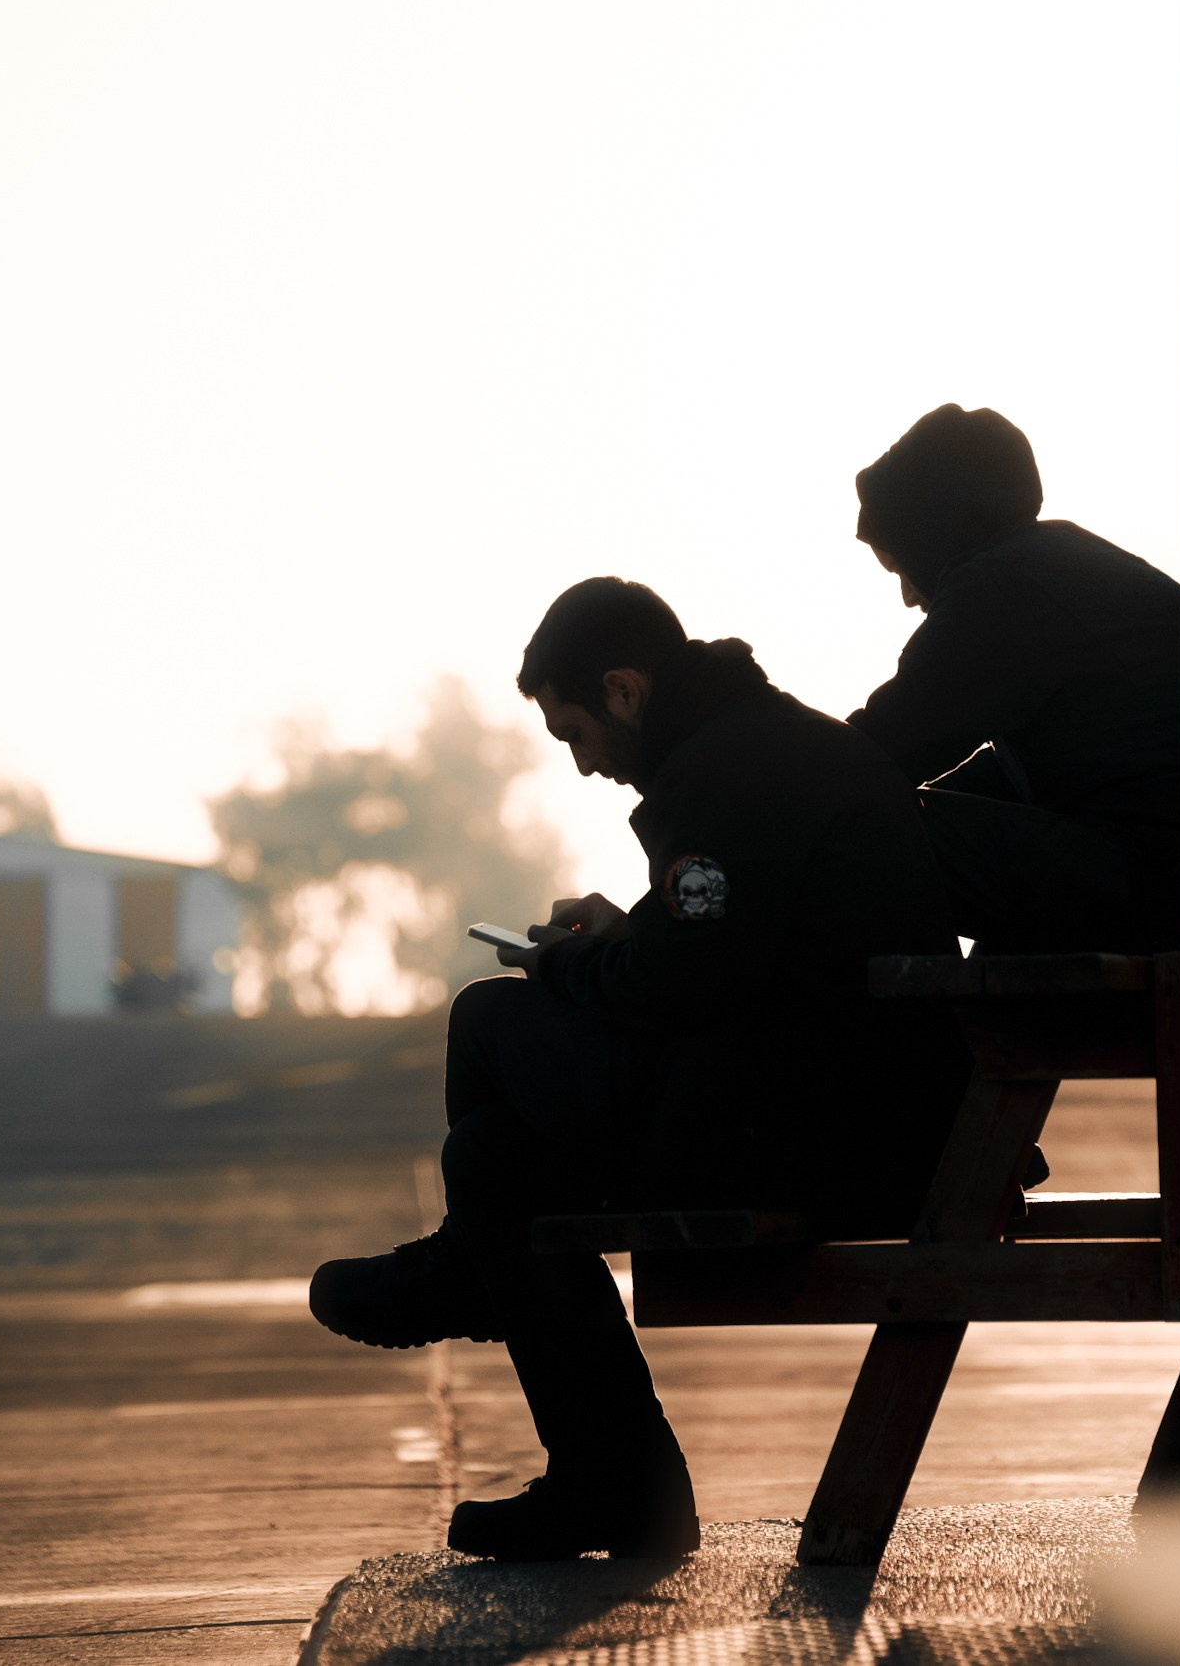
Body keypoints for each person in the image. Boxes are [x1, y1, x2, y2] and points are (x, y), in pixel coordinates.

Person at [308, 577, 969, 1561]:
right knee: (498, 1159)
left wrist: (570, 961)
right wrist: (628, 934)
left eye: (575, 734)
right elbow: (734, 948)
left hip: (823, 1138)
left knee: (491, 1020)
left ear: (623, 690)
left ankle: (551, 1381)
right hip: (858, 1110)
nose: (582, 767)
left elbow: (683, 984)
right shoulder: (769, 742)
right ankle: (519, 1330)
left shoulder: (718, 772)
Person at [847, 404, 1180, 955]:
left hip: (1160, 881)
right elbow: (1021, 770)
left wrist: (767, 788)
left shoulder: (1001, 589)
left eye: (900, 570)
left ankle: (905, 1031)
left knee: (863, 832)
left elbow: (874, 753)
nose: (909, 596)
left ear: (931, 537)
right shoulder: (1061, 565)